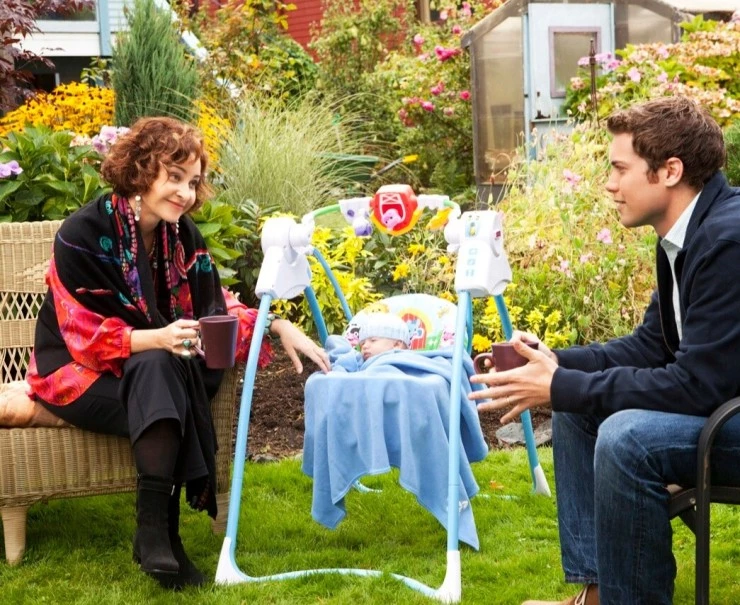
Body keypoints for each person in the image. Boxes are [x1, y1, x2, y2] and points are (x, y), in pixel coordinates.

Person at [26, 116, 330, 590]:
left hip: (151, 374)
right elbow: (81, 335)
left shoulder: (181, 235)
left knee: (159, 369)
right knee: (161, 368)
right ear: (141, 170)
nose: (185, 193)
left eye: (192, 182)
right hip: (77, 375)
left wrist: (274, 323)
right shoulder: (81, 233)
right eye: (174, 177)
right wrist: (160, 338)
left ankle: (154, 534)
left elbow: (212, 306)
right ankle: (163, 534)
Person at [468, 95, 740, 605]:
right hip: (724, 408)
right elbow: (652, 345)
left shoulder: (727, 241)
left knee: (626, 437)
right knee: (577, 410)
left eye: (620, 169)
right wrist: (554, 362)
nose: (610, 185)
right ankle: (598, 594)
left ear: (670, 171)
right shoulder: (687, 235)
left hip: (731, 415)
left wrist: (562, 384)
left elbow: (699, 386)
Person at [326, 312, 411, 371]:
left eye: (373, 340)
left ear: (396, 345)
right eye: (362, 344)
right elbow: (335, 342)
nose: (364, 346)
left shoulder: (410, 360)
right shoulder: (359, 363)